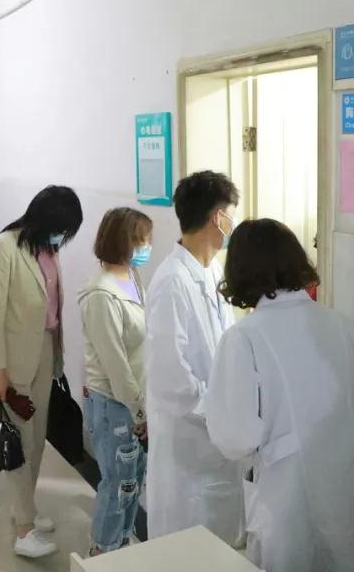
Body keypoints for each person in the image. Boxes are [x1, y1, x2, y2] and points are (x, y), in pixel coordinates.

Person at [204, 219, 354, 571]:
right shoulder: (342, 326)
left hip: (284, 499)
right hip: (345, 486)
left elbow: (235, 438)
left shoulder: (243, 338)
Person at [0, 185, 83, 559]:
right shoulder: (4, 246)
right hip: (13, 358)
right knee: (19, 440)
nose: (63, 236)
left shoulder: (47, 248)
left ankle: (25, 506)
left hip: (44, 349)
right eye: (61, 228)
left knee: (38, 438)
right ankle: (23, 530)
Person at [145, 170, 244, 545]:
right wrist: (221, 409)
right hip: (188, 446)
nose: (232, 225)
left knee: (217, 543)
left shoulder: (211, 270)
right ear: (218, 218)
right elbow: (171, 379)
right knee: (187, 547)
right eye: (230, 216)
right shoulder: (172, 281)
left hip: (214, 440)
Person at [78, 207, 152, 556]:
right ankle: (102, 552)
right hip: (114, 403)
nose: (147, 246)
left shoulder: (131, 278)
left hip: (133, 400)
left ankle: (122, 545)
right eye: (142, 240)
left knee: (132, 481)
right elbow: (115, 365)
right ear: (124, 242)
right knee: (117, 484)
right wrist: (139, 412)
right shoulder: (101, 294)